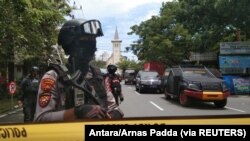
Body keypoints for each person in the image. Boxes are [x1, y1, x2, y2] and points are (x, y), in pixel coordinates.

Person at [34, 19, 124, 122]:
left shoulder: (97, 75)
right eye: (86, 41)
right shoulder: (53, 76)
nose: (91, 46)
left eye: (93, 41)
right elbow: (41, 119)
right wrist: (77, 112)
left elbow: (112, 106)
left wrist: (115, 114)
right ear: (70, 44)